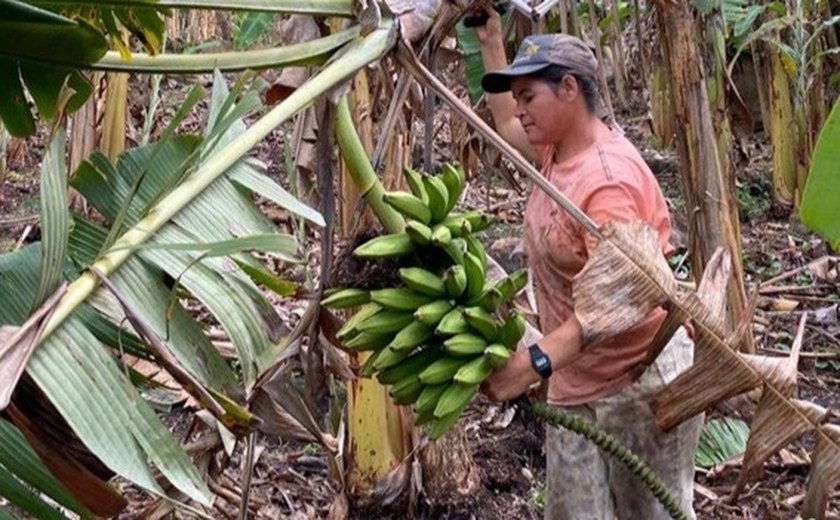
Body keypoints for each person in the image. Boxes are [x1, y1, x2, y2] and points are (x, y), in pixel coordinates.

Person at [473, 6, 703, 520]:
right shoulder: (555, 150)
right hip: (576, 381)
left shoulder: (607, 180)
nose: (521, 111)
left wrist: (531, 365)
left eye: (530, 96)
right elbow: (507, 123)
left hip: (638, 386)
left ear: (570, 89)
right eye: (519, 99)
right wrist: (490, 38)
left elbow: (621, 300)